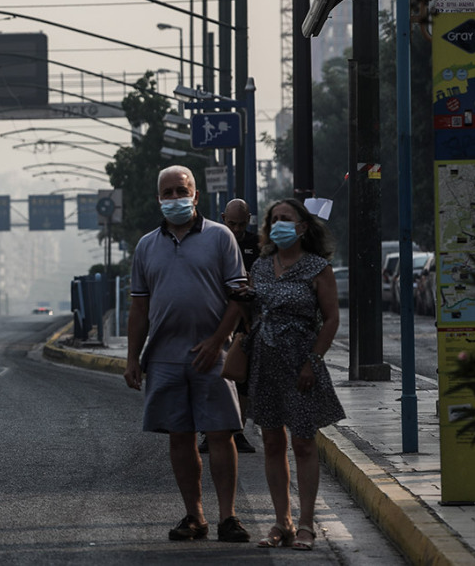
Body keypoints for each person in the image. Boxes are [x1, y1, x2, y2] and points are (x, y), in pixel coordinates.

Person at [124, 165, 251, 543]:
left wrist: (217, 341)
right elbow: (138, 308)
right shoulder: (147, 246)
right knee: (178, 437)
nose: (175, 198)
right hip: (164, 356)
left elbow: (239, 296)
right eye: (168, 192)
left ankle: (228, 516)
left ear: (196, 196)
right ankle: (194, 516)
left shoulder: (220, 237)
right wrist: (133, 357)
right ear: (158, 199)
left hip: (213, 354)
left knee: (219, 434)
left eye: (182, 190)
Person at [244, 198, 345, 551]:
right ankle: (281, 521)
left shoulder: (318, 268)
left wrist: (313, 361)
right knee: (272, 442)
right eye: (274, 220)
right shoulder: (259, 267)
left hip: (301, 363)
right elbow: (249, 310)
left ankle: (306, 524)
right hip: (265, 363)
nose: (279, 224)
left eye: (286, 219)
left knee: (302, 442)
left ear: (302, 226)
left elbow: (331, 319)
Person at [200, 198, 260, 455]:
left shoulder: (257, 245)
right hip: (216, 316)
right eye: (232, 223)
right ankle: (210, 430)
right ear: (223, 218)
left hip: (246, 319)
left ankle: (238, 430)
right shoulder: (211, 239)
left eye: (242, 224)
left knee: (241, 376)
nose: (236, 229)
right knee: (214, 374)